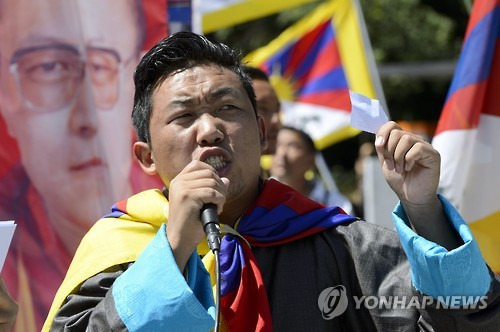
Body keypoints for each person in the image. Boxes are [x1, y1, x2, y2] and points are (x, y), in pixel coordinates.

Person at [44, 32, 499, 331]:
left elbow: (469, 322)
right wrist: (173, 249)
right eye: (183, 116)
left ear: (262, 133)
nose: (209, 130)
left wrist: (424, 211)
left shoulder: (341, 244)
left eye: (227, 108)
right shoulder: (117, 245)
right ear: (146, 156)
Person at [0, 0, 148, 329]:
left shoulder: (192, 233)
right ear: (5, 97)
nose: (87, 118)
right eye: (48, 68)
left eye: (101, 66)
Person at [271, 126, 354, 215]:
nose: (281, 153)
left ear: (311, 159)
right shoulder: (257, 197)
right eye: (277, 144)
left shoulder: (337, 205)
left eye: (293, 146)